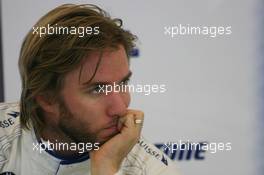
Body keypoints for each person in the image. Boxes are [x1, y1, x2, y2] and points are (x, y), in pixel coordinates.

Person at [0, 4, 180, 175]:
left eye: (123, 83)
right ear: (47, 99)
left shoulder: (151, 169)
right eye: (98, 89)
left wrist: (107, 168)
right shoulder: (4, 135)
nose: (119, 108)